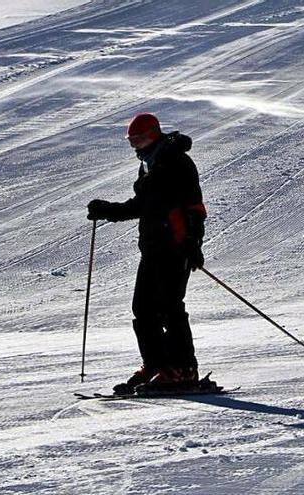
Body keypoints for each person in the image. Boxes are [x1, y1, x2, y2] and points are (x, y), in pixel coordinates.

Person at [87, 113, 207, 395]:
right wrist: (108, 210)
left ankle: (182, 369)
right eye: (131, 141)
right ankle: (156, 365)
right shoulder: (151, 162)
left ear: (154, 134)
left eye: (139, 139)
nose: (135, 146)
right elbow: (145, 204)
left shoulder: (175, 161)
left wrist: (192, 241)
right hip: (153, 248)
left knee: (169, 307)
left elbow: (193, 206)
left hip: (174, 246)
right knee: (143, 309)